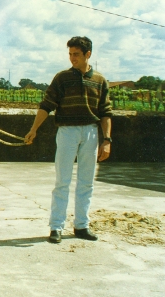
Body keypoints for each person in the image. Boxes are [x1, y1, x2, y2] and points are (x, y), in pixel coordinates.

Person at [24, 36, 112, 244]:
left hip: (91, 133)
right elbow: (46, 105)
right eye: (70, 54)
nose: (72, 58)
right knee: (62, 181)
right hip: (67, 132)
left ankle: (82, 226)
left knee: (86, 182)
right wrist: (34, 129)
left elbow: (106, 112)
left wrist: (106, 139)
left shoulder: (100, 80)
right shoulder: (62, 78)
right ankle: (56, 227)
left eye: (76, 54)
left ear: (88, 54)